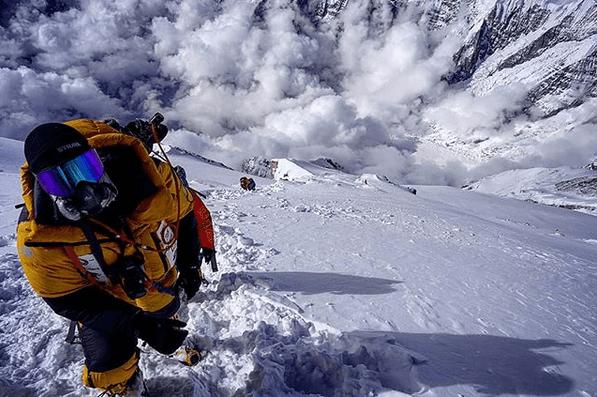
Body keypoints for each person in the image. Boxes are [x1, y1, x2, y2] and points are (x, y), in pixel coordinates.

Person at [16, 118, 216, 396]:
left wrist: (190, 266)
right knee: (108, 362)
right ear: (43, 187)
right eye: (60, 180)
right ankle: (125, 383)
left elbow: (185, 215)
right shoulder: (40, 236)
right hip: (104, 297)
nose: (85, 189)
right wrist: (141, 324)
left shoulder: (150, 177)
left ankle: (171, 337)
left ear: (98, 158)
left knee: (165, 310)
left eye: (85, 168)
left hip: (156, 279)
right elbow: (70, 300)